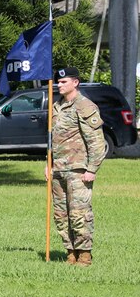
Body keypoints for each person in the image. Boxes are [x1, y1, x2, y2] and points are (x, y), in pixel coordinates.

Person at [48, 67, 106, 266]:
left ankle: (84, 254)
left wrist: (92, 169)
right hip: (59, 169)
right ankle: (70, 251)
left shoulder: (84, 106)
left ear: (76, 82)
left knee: (79, 213)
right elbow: (52, 140)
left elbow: (97, 141)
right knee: (61, 214)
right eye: (58, 82)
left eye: (64, 82)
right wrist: (49, 164)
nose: (59, 84)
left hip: (77, 169)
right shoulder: (56, 106)